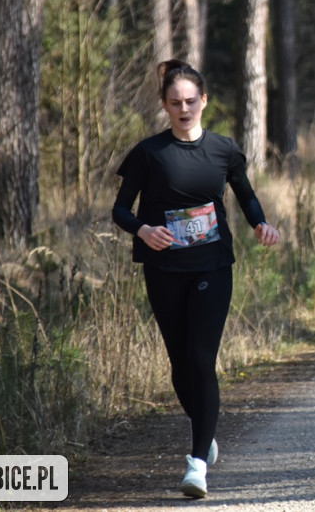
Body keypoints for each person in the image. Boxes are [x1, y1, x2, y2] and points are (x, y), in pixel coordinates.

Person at [112, 60, 281, 498]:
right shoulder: (149, 154)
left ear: (204, 101)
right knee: (181, 365)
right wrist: (144, 231)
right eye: (175, 103)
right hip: (164, 268)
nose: (184, 108)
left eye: (191, 101)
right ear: (165, 105)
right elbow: (121, 210)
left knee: (202, 359)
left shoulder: (223, 149)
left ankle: (196, 463)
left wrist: (262, 225)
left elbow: (246, 196)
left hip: (212, 266)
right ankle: (206, 429)